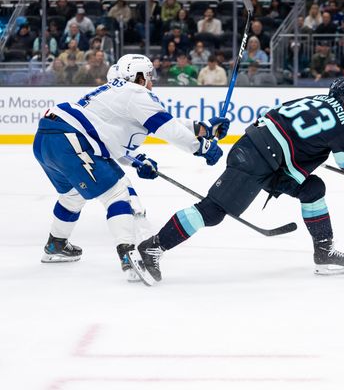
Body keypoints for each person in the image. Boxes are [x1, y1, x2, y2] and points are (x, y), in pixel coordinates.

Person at [135, 78, 344, 283]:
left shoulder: (314, 100)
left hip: (261, 154)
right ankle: (153, 246)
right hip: (259, 159)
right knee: (212, 211)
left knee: (312, 188)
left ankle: (324, 251)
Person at [32, 54, 227, 281]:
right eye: (149, 76)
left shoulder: (115, 93)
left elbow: (110, 140)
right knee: (117, 194)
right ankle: (129, 256)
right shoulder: (136, 93)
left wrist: (204, 128)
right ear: (138, 76)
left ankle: (56, 245)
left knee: (73, 195)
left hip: (47, 138)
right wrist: (201, 147)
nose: (151, 82)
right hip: (70, 139)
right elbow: (168, 128)